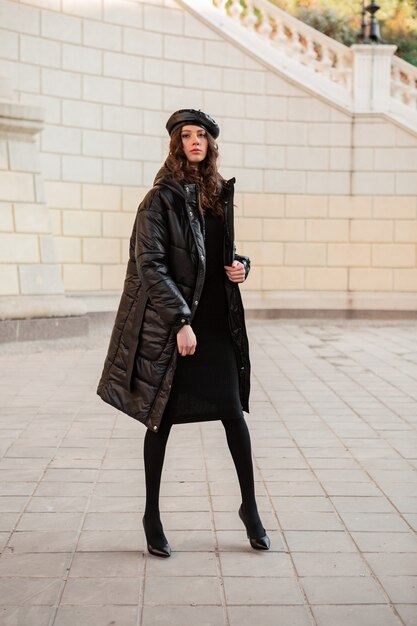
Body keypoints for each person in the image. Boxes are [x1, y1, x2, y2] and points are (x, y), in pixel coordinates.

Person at [97, 109, 270, 557]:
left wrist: (241, 266)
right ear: (176, 144)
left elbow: (217, 251)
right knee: (161, 420)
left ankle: (250, 508)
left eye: (202, 135)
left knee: (234, 416)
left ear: (212, 144)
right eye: (186, 135)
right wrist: (179, 322)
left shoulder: (217, 193)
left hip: (217, 324)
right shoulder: (159, 200)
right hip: (181, 326)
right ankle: (151, 515)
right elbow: (149, 265)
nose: (195, 141)